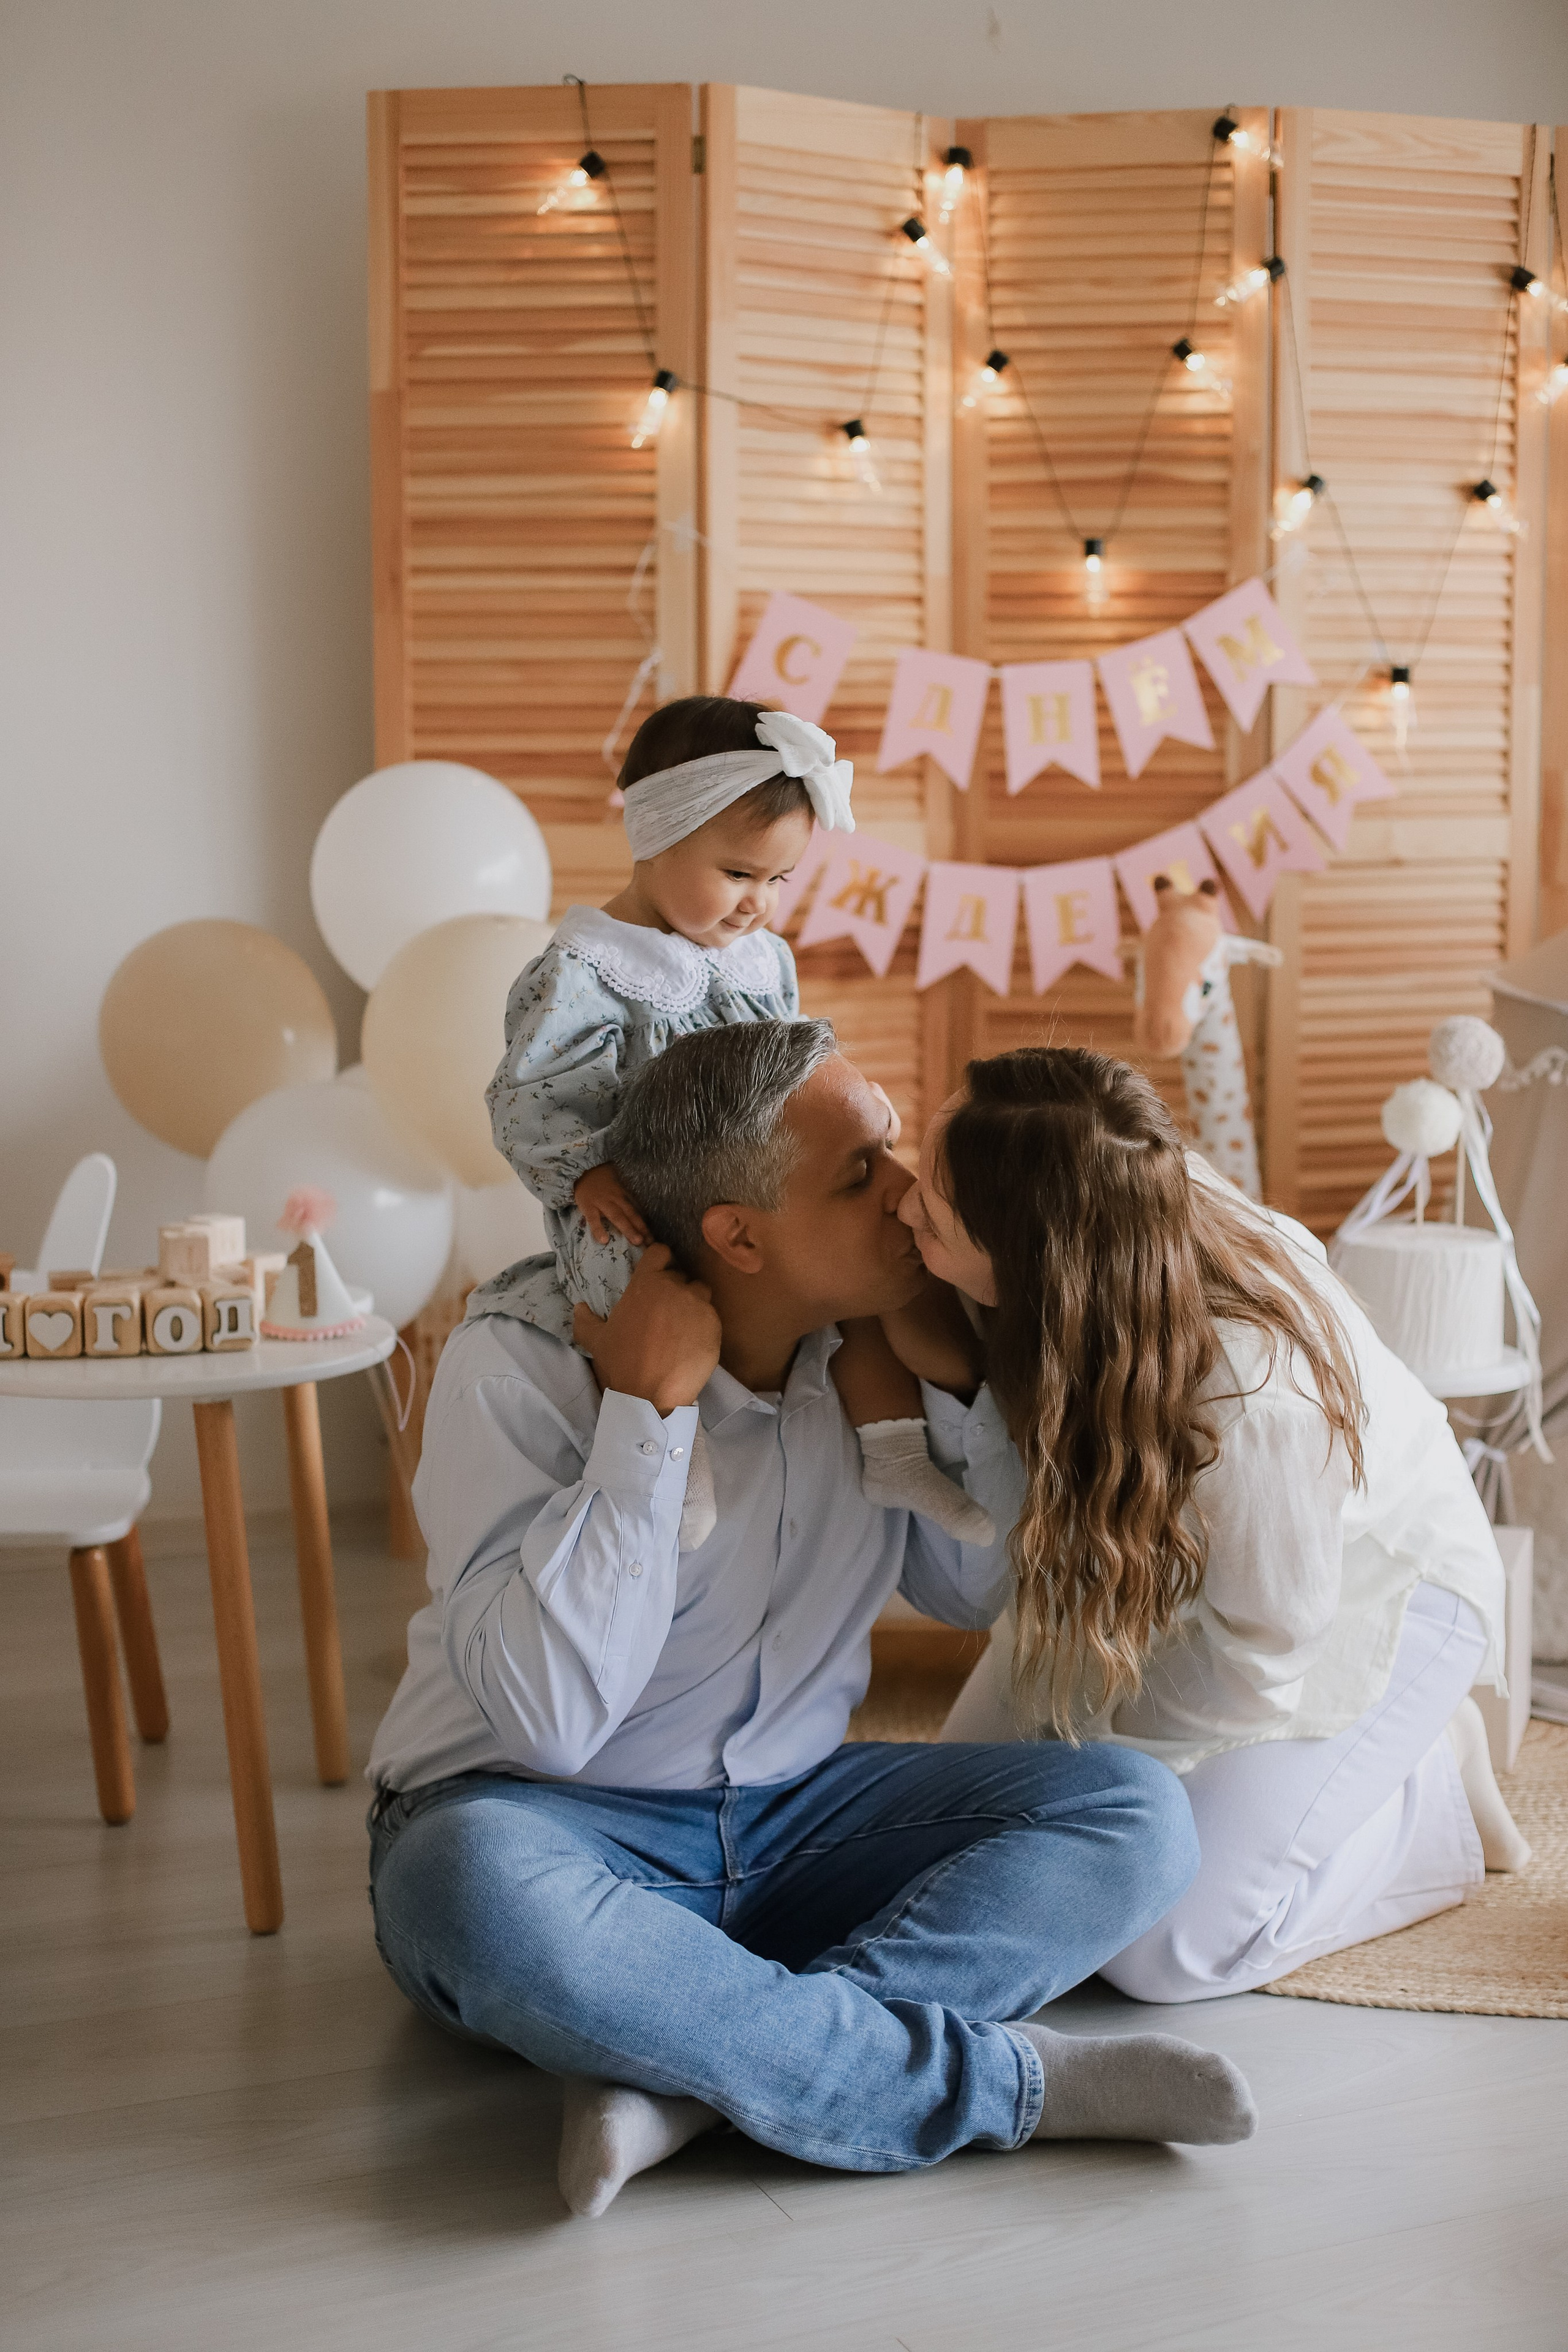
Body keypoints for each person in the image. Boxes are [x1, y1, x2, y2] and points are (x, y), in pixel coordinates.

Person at [367, 1020, 1256, 2218]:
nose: (909, 1194)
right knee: (464, 1887)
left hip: (791, 1819)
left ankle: (686, 2077)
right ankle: (1003, 2087)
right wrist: (647, 1416)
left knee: (1135, 1814)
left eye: (892, 1146)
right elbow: (554, 1725)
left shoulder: (874, 1350)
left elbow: (974, 1594)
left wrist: (951, 1389)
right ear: (737, 1236)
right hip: (537, 1819)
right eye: (860, 1174)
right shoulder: (522, 1367)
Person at [893, 1046, 1529, 2006]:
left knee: (1160, 1948)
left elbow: (1257, 1657)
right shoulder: (1101, 1196)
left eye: (934, 1217)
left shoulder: (1250, 1397)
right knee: (933, 1837)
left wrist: (1103, 1781)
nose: (904, 1208)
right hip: (1184, 1566)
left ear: (1033, 1259)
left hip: (1370, 1589)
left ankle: (1427, 1794)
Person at [481, 692, 989, 1551]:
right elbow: (528, 1095)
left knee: (854, 1274)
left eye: (780, 880)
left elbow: (794, 1068)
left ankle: (894, 1445)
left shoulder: (758, 959)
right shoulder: (584, 970)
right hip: (636, 1193)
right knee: (636, 1289)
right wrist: (584, 1172)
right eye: (738, 874)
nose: (759, 903)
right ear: (655, 838)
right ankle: (671, 1456)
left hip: (758, 1184)